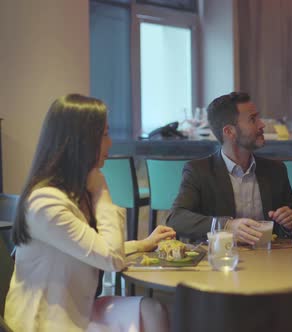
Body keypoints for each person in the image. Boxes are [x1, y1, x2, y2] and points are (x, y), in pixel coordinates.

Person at [6, 94, 173, 331]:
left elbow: (91, 247)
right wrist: (102, 193)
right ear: (80, 141)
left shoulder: (73, 192)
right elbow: (110, 259)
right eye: (104, 134)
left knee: (152, 310)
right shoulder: (46, 203)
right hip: (44, 322)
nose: (110, 143)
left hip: (78, 311)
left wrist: (143, 244)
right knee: (150, 313)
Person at [167, 92, 292, 244]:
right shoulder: (199, 171)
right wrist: (227, 226)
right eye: (253, 119)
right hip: (221, 259)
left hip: (269, 258)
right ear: (229, 132)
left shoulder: (275, 170)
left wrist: (290, 221)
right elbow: (176, 218)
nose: (261, 124)